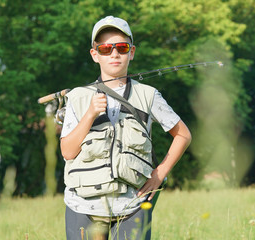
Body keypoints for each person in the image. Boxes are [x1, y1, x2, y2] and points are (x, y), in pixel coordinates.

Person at [60, 16, 191, 240]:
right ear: (95, 55)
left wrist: (159, 175)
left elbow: (183, 135)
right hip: (83, 207)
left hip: (133, 207)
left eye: (121, 47)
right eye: (105, 48)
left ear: (131, 52)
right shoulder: (78, 97)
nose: (114, 54)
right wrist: (90, 114)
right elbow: (67, 152)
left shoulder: (149, 95)